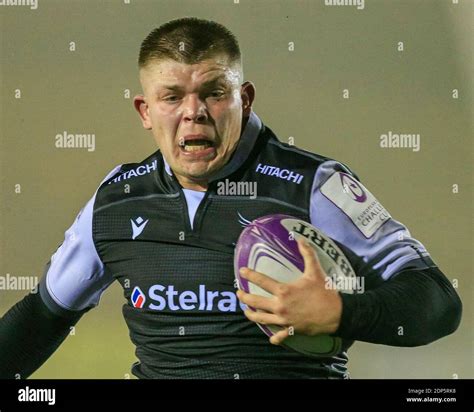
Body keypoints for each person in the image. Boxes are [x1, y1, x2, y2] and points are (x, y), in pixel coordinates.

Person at [0, 17, 462, 379]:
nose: (193, 112)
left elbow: (438, 303)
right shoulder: (116, 201)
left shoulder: (317, 185)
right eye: (172, 97)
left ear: (245, 98)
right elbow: (43, 316)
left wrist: (344, 311)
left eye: (213, 93)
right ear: (145, 110)